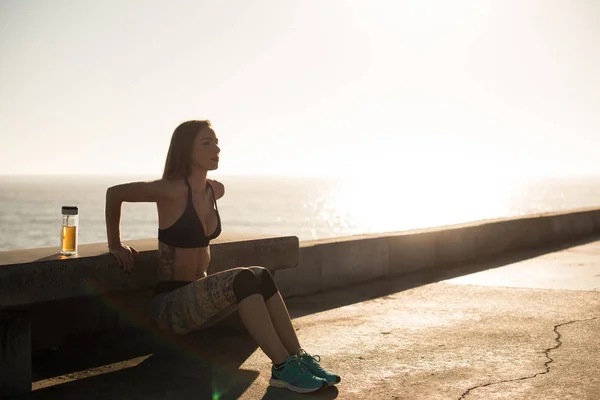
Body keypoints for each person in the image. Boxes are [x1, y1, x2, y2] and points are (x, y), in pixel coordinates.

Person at [104, 120, 340, 394]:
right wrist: (115, 244)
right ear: (185, 150)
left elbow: (218, 189)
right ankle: (282, 367)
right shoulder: (171, 190)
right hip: (171, 306)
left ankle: (299, 357)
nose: (216, 148)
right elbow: (114, 194)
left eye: (216, 142)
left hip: (203, 303)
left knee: (261, 274)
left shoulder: (214, 190)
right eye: (206, 143)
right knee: (243, 278)